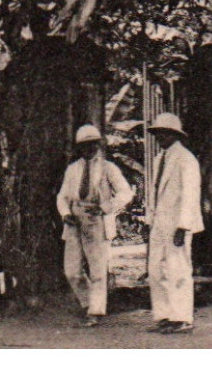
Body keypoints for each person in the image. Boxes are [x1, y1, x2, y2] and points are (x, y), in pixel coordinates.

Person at [56, 124, 134, 326]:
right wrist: (65, 213)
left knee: (98, 269)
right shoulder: (73, 169)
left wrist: (106, 207)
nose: (89, 149)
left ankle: (95, 312)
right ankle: (87, 303)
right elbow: (62, 197)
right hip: (75, 218)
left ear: (99, 145)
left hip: (97, 220)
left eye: (93, 145)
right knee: (71, 270)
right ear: (78, 148)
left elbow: (126, 192)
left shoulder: (109, 168)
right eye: (84, 145)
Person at [145, 112, 203, 334]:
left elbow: (190, 194)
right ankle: (164, 315)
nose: (159, 137)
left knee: (178, 269)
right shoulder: (159, 159)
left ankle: (182, 317)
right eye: (157, 133)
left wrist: (183, 225)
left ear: (174, 134)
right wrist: (149, 220)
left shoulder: (186, 159)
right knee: (155, 270)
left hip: (177, 222)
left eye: (163, 133)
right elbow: (155, 192)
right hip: (160, 221)